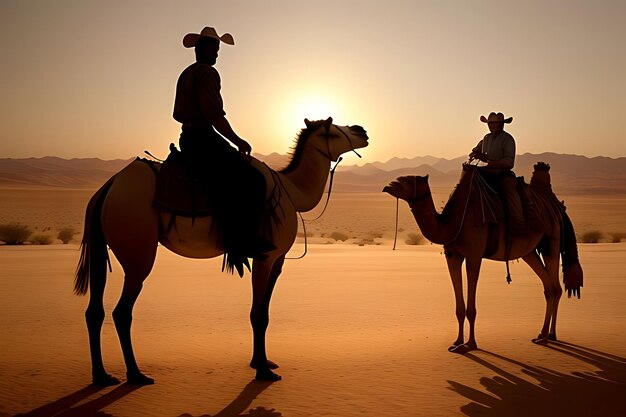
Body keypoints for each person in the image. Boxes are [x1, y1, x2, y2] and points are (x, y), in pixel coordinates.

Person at [173, 26, 272, 274]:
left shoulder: (186, 73)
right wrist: (238, 140)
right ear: (202, 48)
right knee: (255, 180)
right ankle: (244, 241)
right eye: (213, 48)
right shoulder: (208, 73)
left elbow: (177, 114)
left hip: (187, 137)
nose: (217, 54)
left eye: (218, 49)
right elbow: (214, 115)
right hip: (203, 139)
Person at [469, 112, 526, 233]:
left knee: (510, 192)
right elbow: (475, 151)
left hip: (501, 174)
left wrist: (488, 162)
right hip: (483, 172)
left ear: (502, 124)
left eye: (496, 124)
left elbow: (509, 162)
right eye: (490, 124)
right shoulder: (486, 138)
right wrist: (475, 154)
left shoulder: (508, 139)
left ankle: (518, 223)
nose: (492, 126)